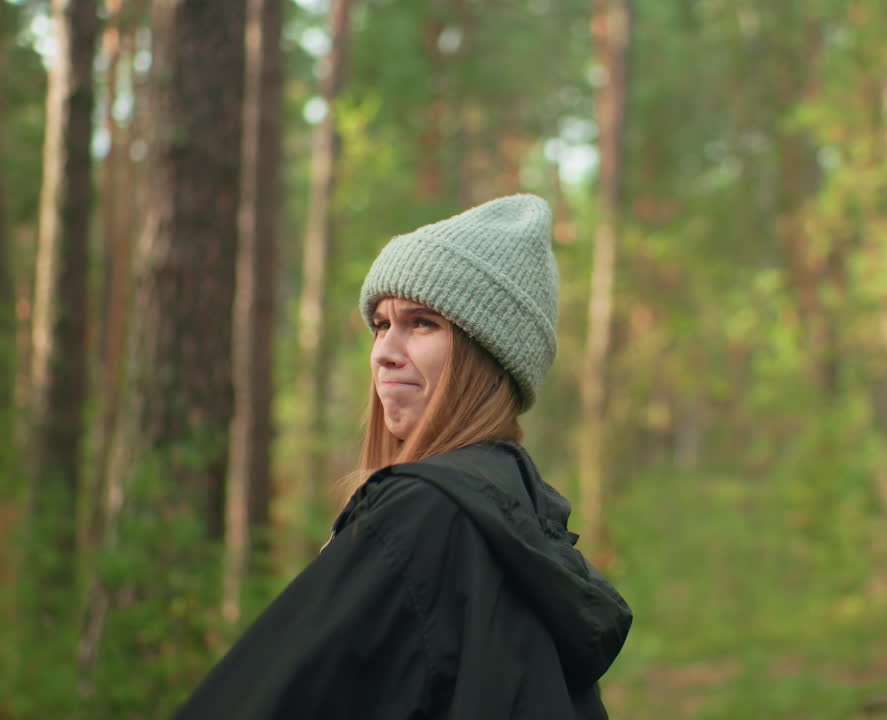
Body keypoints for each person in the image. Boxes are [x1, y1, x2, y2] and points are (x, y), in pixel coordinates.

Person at [175, 195, 632, 719]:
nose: (385, 352)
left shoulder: (424, 511)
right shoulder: (514, 508)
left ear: (487, 356)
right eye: (380, 323)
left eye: (422, 323)